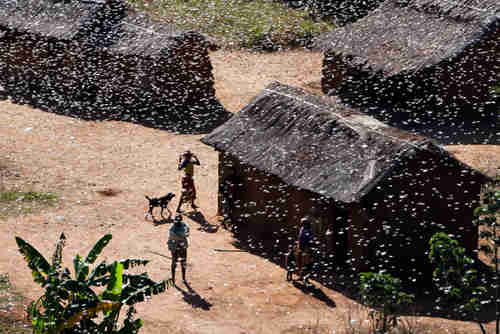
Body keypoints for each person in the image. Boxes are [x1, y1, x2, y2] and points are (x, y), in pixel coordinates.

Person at [167, 215, 190, 283]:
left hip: (179, 247)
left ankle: (181, 278)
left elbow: (186, 234)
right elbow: (186, 234)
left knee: (180, 263)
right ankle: (175, 278)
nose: (176, 223)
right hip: (178, 247)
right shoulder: (183, 226)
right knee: (178, 263)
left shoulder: (173, 228)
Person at [295, 216, 315, 282]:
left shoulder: (309, 231)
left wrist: (307, 248)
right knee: (300, 262)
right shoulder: (302, 229)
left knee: (306, 263)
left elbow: (311, 240)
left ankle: (306, 276)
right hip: (301, 247)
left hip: (306, 248)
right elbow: (299, 238)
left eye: (303, 223)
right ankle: (301, 276)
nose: (302, 224)